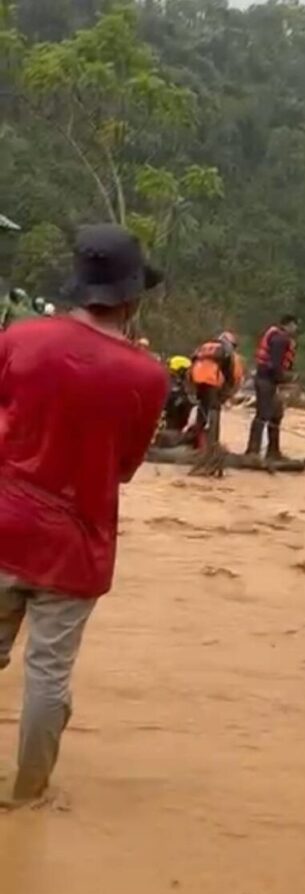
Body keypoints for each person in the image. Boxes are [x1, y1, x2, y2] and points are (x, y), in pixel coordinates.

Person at [0, 224, 168, 807]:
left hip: (3, 521)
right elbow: (124, 468)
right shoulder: (147, 376)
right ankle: (27, 794)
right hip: (75, 545)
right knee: (47, 675)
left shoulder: (19, 339)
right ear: (131, 297)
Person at [246, 315, 298, 461]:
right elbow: (275, 364)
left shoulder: (278, 337)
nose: (295, 329)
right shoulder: (280, 340)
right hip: (266, 381)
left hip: (269, 381)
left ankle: (273, 451)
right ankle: (253, 451)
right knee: (263, 415)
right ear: (288, 325)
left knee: (276, 415)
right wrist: (285, 378)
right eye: (294, 325)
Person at [190, 330, 244, 445]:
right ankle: (212, 442)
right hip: (212, 380)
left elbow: (193, 360)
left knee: (202, 409)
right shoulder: (226, 349)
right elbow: (230, 372)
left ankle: (196, 441)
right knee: (214, 410)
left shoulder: (204, 346)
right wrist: (226, 391)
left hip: (197, 378)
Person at [164, 355, 194, 432]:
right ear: (181, 371)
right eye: (187, 370)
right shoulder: (176, 388)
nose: (189, 373)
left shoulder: (167, 381)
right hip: (172, 430)